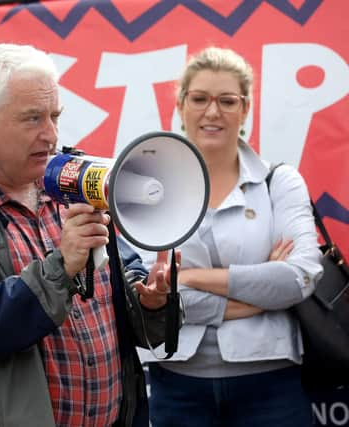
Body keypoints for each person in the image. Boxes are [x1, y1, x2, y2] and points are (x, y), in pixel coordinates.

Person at [0, 43, 178, 427]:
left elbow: (123, 296)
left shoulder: (77, 184)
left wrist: (151, 302)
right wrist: (62, 267)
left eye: (55, 116)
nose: (51, 134)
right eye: (33, 119)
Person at [138, 47, 324, 426]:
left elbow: (298, 276)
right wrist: (260, 297)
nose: (212, 112)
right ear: (180, 105)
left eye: (227, 100)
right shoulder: (146, 188)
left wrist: (189, 278)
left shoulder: (280, 181)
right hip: (176, 389)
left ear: (245, 109)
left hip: (271, 386)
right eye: (200, 98)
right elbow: (146, 294)